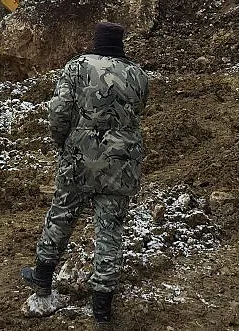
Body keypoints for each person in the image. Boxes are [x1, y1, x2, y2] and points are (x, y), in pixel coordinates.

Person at [21, 22, 149, 329]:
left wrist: (64, 143)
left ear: (96, 40)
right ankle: (102, 307)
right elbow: (138, 112)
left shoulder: (77, 67)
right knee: (110, 230)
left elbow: (59, 112)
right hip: (121, 163)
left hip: (79, 157)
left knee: (62, 215)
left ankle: (42, 279)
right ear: (120, 43)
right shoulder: (138, 74)